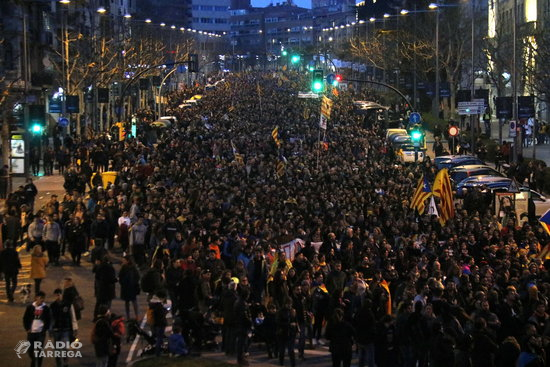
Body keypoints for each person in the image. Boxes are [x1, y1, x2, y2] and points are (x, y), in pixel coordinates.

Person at [50, 288, 78, 367]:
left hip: (66, 329)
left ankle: (65, 362)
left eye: (59, 294)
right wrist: (50, 329)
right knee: (57, 350)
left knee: (65, 348)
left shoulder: (68, 304)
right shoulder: (52, 306)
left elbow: (73, 316)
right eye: (56, 295)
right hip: (56, 330)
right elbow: (51, 318)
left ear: (62, 295)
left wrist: (75, 328)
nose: (58, 296)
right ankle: (59, 364)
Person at [23, 291, 51, 367]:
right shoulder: (30, 307)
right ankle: (33, 359)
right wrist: (27, 328)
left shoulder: (45, 308)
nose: (42, 300)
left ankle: (38, 365)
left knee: (39, 351)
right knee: (30, 350)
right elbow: (25, 318)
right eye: (40, 298)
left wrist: (45, 329)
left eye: (43, 298)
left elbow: (49, 319)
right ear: (36, 298)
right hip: (31, 332)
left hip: (40, 333)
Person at [93, 256, 117, 321]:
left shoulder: (100, 267)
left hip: (101, 288)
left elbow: (96, 276)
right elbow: (112, 279)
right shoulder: (111, 268)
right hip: (109, 289)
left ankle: (96, 317)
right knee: (107, 304)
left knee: (98, 303)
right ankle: (105, 317)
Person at [118, 255, 140, 320]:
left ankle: (128, 316)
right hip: (132, 287)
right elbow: (137, 277)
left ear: (128, 261)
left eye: (124, 260)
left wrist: (122, 283)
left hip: (126, 287)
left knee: (128, 302)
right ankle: (136, 316)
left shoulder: (124, 268)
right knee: (133, 301)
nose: (123, 261)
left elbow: (120, 276)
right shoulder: (133, 268)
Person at [148, 290, 168, 356]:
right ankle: (158, 352)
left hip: (154, 323)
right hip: (160, 323)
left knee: (158, 337)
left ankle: (159, 350)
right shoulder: (158, 305)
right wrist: (165, 311)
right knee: (159, 338)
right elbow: (161, 314)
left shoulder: (152, 304)